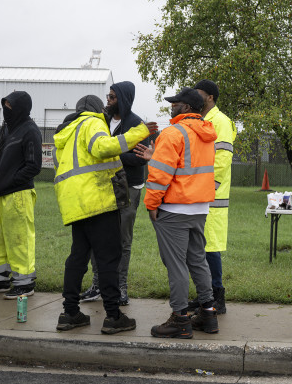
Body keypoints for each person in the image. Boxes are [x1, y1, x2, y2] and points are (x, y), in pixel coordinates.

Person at [52, 95, 154, 334]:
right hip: (98, 201)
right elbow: (102, 148)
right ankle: (113, 315)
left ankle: (69, 313)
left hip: (75, 204)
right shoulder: (93, 123)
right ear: (97, 109)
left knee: (78, 257)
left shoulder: (67, 132)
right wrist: (137, 134)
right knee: (109, 257)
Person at [138, 87, 218, 339]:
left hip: (174, 209)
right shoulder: (206, 134)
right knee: (197, 260)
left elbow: (160, 174)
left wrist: (151, 203)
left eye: (175, 103)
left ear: (186, 107)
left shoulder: (173, 133)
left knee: (176, 265)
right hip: (199, 207)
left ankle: (180, 318)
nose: (171, 106)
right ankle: (208, 312)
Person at [79, 82, 154, 306]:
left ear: (123, 98)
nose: (108, 101)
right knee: (97, 237)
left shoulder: (136, 124)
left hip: (129, 187)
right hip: (102, 185)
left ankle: (121, 287)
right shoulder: (100, 121)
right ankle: (97, 285)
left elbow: (140, 158)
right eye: (108, 96)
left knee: (122, 239)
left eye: (112, 97)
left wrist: (110, 155)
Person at [0, 91, 42, 299]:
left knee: (19, 239)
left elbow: (33, 166)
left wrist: (10, 181)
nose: (6, 110)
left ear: (21, 108)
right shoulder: (6, 129)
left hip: (18, 194)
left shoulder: (30, 130)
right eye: (5, 105)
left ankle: (25, 282)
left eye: (10, 106)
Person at [188, 79, 237, 315]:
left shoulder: (221, 121)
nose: (194, 98)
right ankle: (204, 297)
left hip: (212, 196)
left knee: (210, 249)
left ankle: (217, 298)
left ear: (210, 98)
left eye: (198, 94)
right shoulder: (202, 121)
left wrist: (210, 186)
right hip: (200, 193)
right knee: (199, 248)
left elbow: (223, 158)